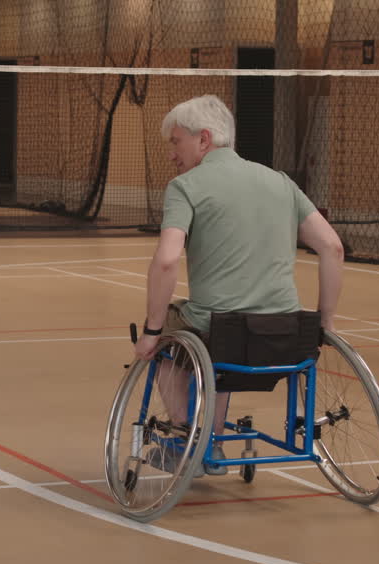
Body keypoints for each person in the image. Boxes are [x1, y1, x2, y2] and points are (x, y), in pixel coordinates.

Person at [134, 95, 344, 475]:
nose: (171, 154)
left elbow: (166, 261)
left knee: (169, 340)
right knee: (225, 343)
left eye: (175, 141)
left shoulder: (185, 187)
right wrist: (324, 324)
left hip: (223, 330)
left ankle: (186, 441)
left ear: (203, 140)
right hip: (286, 335)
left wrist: (150, 331)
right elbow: (332, 247)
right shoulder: (281, 183)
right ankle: (211, 440)